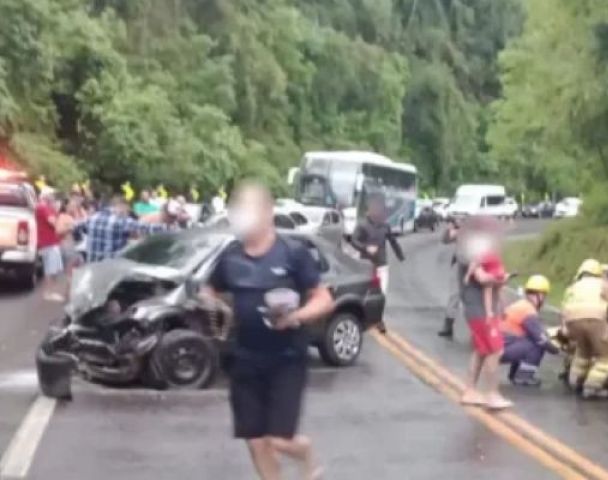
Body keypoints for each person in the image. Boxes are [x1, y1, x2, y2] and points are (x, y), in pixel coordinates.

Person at [202, 182, 332, 480]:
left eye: (248, 209)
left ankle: (305, 452)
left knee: (279, 439)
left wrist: (296, 316)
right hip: (244, 358)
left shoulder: (293, 253)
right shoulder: (231, 256)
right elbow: (210, 288)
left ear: (267, 212)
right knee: (256, 440)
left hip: (287, 359)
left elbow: (324, 299)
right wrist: (213, 305)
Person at [460, 218, 512, 410]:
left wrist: (503, 305)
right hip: (479, 309)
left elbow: (494, 283)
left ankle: (470, 391)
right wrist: (500, 279)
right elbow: (483, 279)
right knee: (494, 350)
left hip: (485, 309)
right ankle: (492, 393)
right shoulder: (470, 253)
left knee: (481, 350)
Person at [561, 259, 608, 399]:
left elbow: (563, 308)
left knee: (583, 352)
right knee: (605, 355)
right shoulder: (604, 284)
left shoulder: (572, 287)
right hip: (596, 319)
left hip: (572, 321)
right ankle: (592, 387)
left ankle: (575, 381)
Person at [349, 196, 404, 332]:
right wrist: (365, 248)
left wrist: (400, 255)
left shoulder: (385, 226)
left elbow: (393, 241)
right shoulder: (362, 225)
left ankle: (379, 320)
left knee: (381, 294)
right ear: (369, 210)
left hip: (381, 265)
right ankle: (361, 318)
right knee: (364, 293)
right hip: (365, 265)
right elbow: (354, 241)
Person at [73, 195, 173, 262]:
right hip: (110, 268)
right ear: (121, 206)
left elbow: (76, 227)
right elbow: (144, 227)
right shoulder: (120, 221)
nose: (127, 213)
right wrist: (167, 227)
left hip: (92, 266)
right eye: (127, 210)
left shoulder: (92, 218)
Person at [500, 275, 559, 386]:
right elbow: (541, 339)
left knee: (527, 340)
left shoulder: (521, 305)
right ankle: (524, 377)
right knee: (537, 345)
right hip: (502, 349)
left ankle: (515, 374)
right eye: (544, 296)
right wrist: (556, 350)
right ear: (540, 295)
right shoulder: (528, 311)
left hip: (500, 346)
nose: (544, 300)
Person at [35, 191, 64, 302]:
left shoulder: (46, 208)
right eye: (52, 196)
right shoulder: (43, 207)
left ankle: (50, 291)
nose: (53, 198)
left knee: (54, 269)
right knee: (50, 269)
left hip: (51, 242)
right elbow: (53, 222)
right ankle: (48, 293)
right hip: (48, 243)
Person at [438, 218, 462, 338]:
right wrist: (449, 228)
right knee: (454, 295)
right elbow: (445, 240)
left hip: (477, 265)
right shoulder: (460, 232)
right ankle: (448, 325)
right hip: (460, 265)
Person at [55, 196, 83, 276]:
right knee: (69, 269)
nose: (73, 208)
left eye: (74, 206)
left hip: (73, 244)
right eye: (72, 206)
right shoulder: (63, 216)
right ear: (66, 206)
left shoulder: (71, 216)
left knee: (75, 267)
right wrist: (70, 227)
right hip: (66, 245)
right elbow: (58, 231)